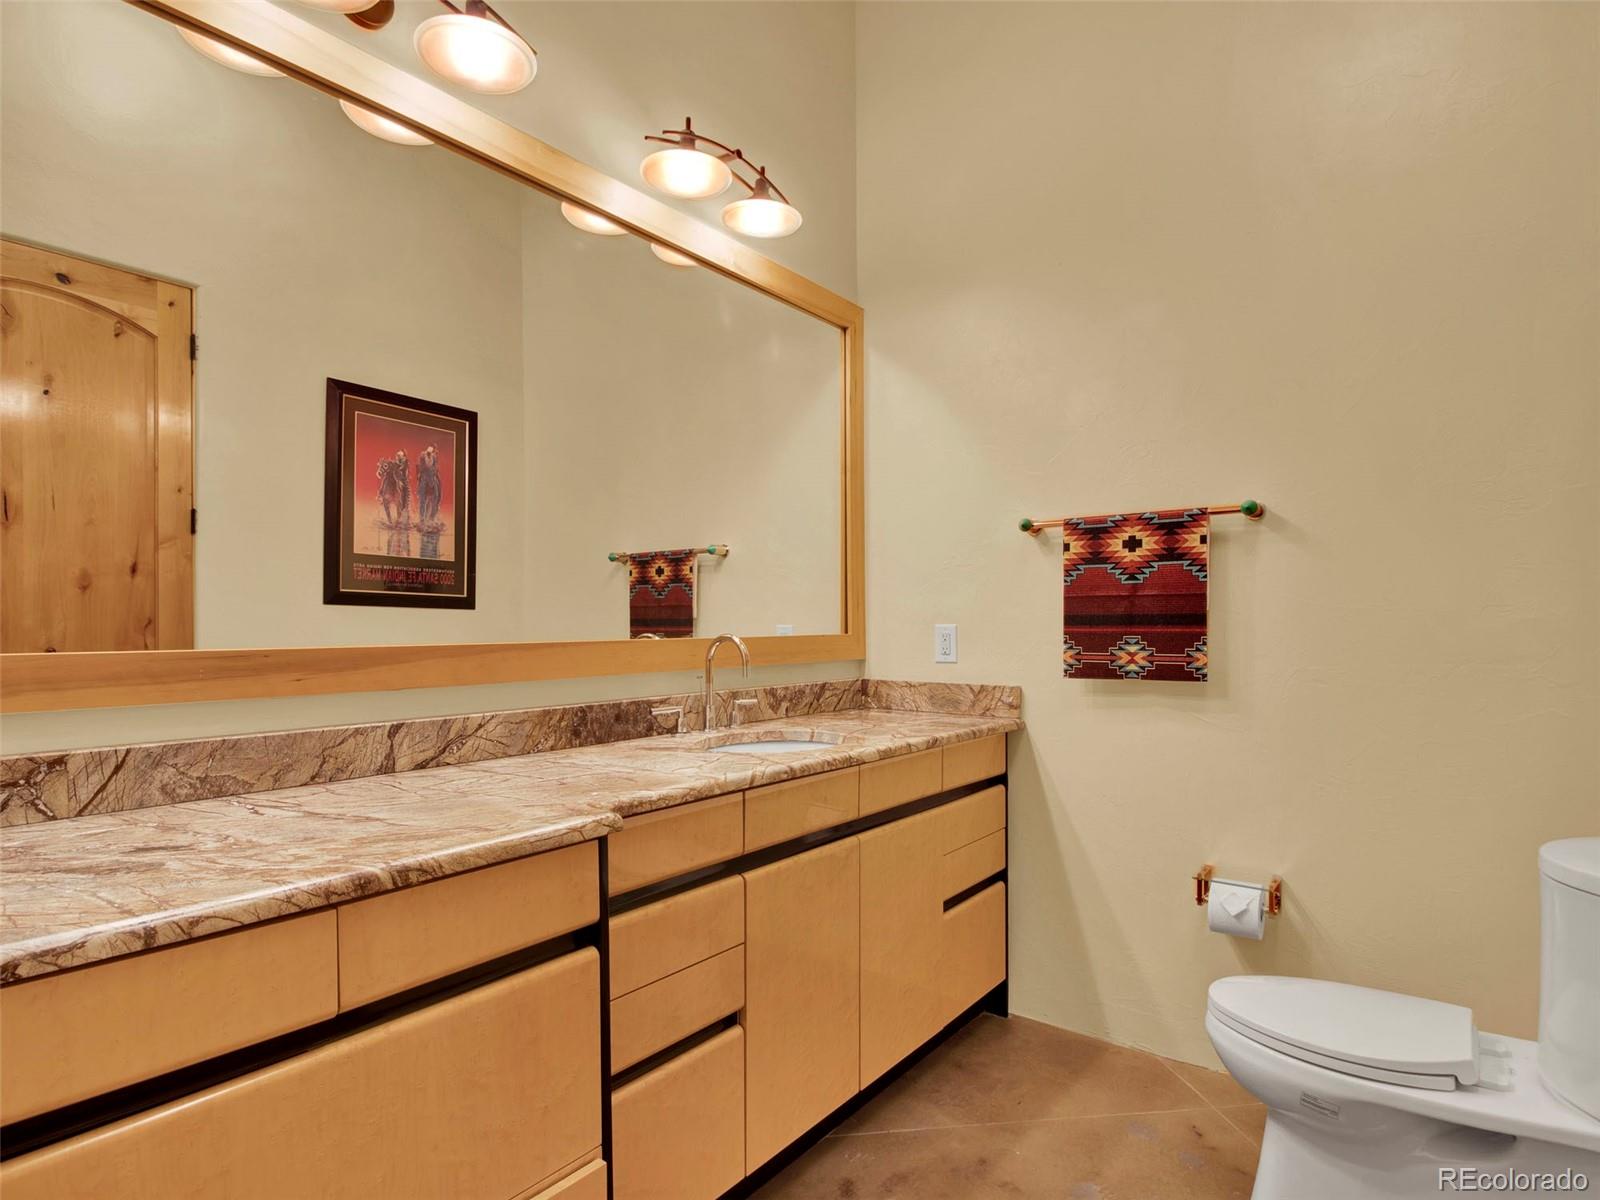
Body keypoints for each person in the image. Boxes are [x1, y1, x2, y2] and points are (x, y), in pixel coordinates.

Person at [416, 444, 441, 529]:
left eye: (432, 452)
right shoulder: (422, 456)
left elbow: (436, 466)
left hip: (432, 476)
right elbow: (420, 467)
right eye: (429, 452)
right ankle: (422, 519)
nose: (430, 453)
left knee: (436, 495)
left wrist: (433, 471)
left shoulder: (435, 457)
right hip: (424, 476)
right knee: (422, 499)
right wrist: (425, 470)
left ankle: (432, 518)